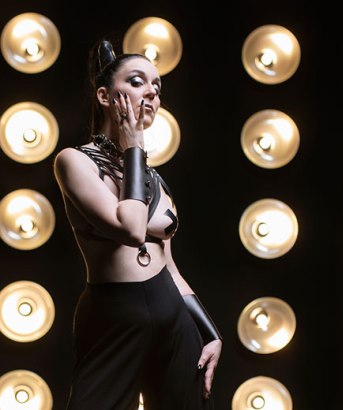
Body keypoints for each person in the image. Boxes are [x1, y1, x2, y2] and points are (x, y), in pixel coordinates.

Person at [53, 38, 222, 410]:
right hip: (113, 317)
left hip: (174, 317)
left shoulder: (152, 177)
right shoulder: (74, 162)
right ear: (104, 96)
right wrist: (134, 147)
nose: (151, 92)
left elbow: (169, 265)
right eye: (136, 81)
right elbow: (130, 228)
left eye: (157, 87)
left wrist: (209, 331)